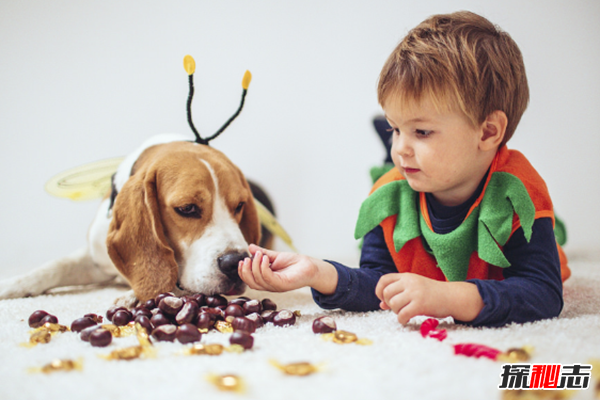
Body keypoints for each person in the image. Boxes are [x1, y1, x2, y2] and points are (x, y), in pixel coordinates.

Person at [238, 11, 570, 327]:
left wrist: (449, 297)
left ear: (488, 132)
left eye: (421, 131)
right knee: (391, 171)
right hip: (409, 202)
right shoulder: (389, 195)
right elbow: (379, 284)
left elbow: (542, 294)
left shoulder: (518, 194)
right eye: (394, 129)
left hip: (513, 227)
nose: (401, 148)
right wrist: (317, 271)